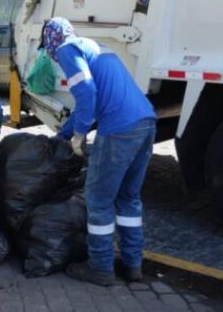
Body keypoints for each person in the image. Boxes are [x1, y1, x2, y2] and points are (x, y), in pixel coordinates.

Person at [42, 17, 156, 287]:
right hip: (146, 122)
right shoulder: (97, 47)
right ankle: (132, 264)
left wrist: (80, 134)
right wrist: (64, 134)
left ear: (51, 40)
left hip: (119, 129)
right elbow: (97, 96)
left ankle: (101, 267)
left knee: (99, 200)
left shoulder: (66, 49)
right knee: (128, 198)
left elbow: (87, 93)